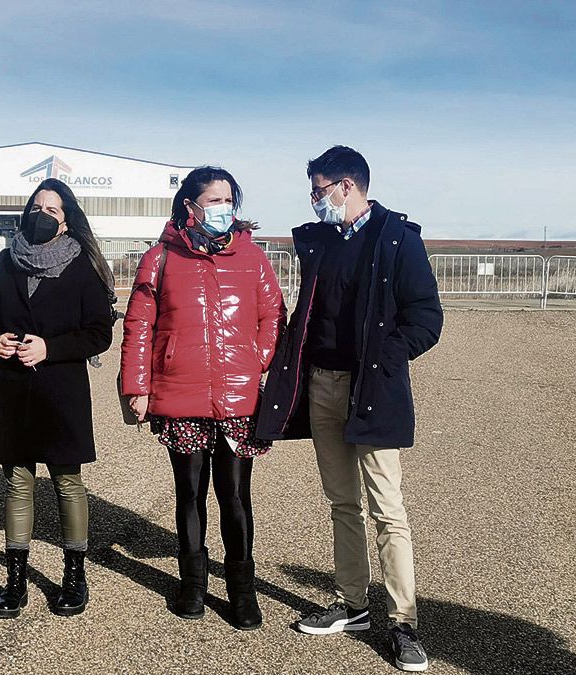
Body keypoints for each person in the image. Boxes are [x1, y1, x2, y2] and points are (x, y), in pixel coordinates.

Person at [255, 146, 442, 672]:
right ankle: (352, 604)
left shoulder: (399, 240)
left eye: (318, 189)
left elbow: (427, 317)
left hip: (373, 389)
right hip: (322, 386)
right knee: (342, 503)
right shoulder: (318, 243)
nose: (314, 200)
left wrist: (387, 355)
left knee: (388, 509)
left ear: (346, 186)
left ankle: (403, 621)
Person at [119, 166, 285, 630]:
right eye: (213, 200)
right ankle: (191, 581)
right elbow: (138, 326)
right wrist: (137, 386)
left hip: (238, 397)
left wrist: (258, 358)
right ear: (189, 205)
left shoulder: (252, 255)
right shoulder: (160, 257)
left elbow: (274, 311)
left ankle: (242, 589)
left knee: (234, 494)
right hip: (180, 390)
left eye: (228, 199)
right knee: (189, 492)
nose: (223, 208)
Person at [0, 178, 115, 619]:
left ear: (67, 218)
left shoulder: (83, 264)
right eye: (36, 206)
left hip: (61, 390)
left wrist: (50, 348)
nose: (42, 215)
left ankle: (74, 576)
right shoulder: (8, 260)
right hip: (11, 389)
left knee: (66, 482)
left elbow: (99, 333)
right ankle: (15, 581)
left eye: (53, 210)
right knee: (18, 482)